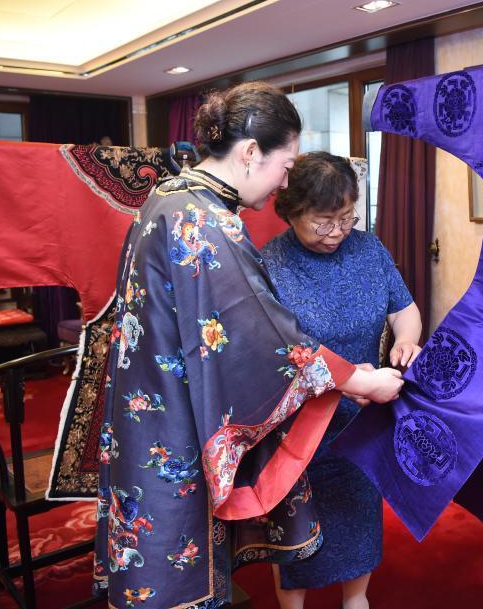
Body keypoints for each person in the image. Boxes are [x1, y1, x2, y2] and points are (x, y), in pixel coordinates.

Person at [94, 82, 403, 608]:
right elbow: (268, 340)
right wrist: (362, 380)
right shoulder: (209, 222)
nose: (286, 181)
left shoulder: (167, 200)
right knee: (178, 572)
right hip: (177, 424)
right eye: (286, 166)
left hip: (152, 407)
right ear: (251, 152)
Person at [262, 152, 422, 609]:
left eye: (346, 219)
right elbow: (271, 353)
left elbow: (403, 306)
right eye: (323, 222)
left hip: (360, 416)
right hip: (299, 423)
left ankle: (357, 601)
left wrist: (407, 339)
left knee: (358, 523)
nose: (337, 233)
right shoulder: (269, 264)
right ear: (291, 212)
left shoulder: (369, 248)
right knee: (297, 540)